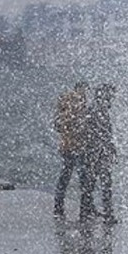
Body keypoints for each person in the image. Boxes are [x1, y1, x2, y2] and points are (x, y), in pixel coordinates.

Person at [81, 83, 118, 224]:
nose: (112, 100)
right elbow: (103, 134)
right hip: (98, 153)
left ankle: (86, 211)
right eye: (110, 96)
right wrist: (109, 149)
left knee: (91, 183)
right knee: (104, 184)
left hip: (94, 153)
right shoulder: (99, 111)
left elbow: (94, 132)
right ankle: (106, 214)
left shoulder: (94, 109)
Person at [53, 81, 89, 218]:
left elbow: (57, 125)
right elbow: (82, 126)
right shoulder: (78, 104)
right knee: (84, 179)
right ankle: (84, 210)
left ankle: (58, 208)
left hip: (66, 145)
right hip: (78, 146)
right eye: (85, 91)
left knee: (65, 176)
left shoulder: (64, 105)